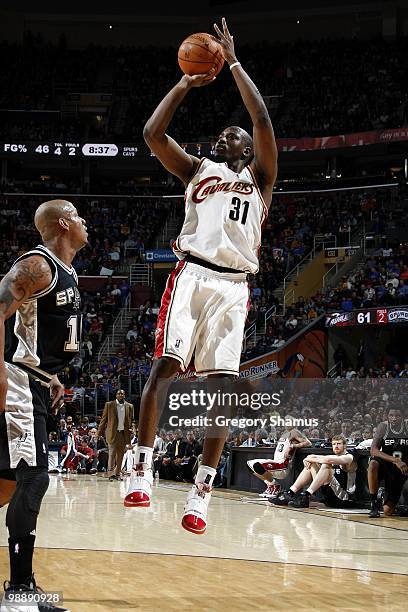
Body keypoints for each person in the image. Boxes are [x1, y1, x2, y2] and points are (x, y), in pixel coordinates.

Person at [125, 17, 277, 535]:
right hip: (192, 275)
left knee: (223, 390)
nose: (228, 133)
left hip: (234, 287)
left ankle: (203, 488)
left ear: (246, 149)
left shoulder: (260, 179)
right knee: (163, 371)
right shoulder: (197, 170)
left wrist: (233, 62)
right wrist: (185, 83)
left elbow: (261, 119)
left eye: (234, 134)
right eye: (223, 132)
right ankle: (140, 465)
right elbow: (152, 134)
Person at [0, 199, 87, 610]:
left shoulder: (65, 269)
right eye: (79, 216)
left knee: (6, 483)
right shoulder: (39, 266)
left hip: (34, 381)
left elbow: (34, 334)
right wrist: (2, 371)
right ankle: (19, 593)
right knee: (33, 479)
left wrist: (50, 375)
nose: (86, 222)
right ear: (65, 223)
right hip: (16, 383)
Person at [271, 435, 358, 508]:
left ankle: (306, 495)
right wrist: (309, 458)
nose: (336, 446)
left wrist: (309, 458)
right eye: (334, 444)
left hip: (343, 498)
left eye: (339, 444)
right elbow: (317, 457)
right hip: (327, 495)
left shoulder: (349, 457)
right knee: (312, 464)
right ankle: (290, 493)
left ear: (345, 445)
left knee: (326, 465)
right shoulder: (334, 456)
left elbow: (328, 460)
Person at [367, 407, 408, 517]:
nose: (394, 418)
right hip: (387, 464)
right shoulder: (383, 427)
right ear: (387, 416)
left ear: (403, 417)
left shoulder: (406, 427)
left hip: (402, 468)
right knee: (373, 463)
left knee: (387, 511)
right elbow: (373, 450)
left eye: (397, 416)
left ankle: (400, 507)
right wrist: (396, 460)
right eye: (391, 415)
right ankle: (374, 503)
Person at [247, 429, 311, 498]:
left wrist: (292, 446)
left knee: (257, 465)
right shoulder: (284, 434)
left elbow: (308, 443)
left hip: (282, 465)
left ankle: (275, 486)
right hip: (276, 462)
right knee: (249, 464)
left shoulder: (294, 432)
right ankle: (271, 486)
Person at [97, 389, 133, 480]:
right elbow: (103, 420)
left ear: (124, 395)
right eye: (119, 393)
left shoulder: (129, 406)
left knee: (121, 455)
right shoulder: (109, 405)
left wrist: (132, 428)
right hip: (112, 432)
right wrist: (98, 433)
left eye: (122, 393)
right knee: (112, 453)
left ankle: (117, 474)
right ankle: (110, 474)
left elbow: (132, 420)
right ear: (116, 395)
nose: (120, 395)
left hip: (123, 433)